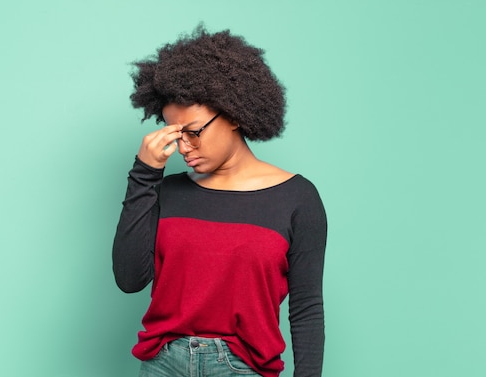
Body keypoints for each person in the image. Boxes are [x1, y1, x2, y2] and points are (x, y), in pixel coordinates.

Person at [112, 25, 327, 377]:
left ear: (234, 114)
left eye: (193, 132)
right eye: (174, 135)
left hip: (242, 368)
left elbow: (306, 308)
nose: (183, 148)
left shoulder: (297, 198)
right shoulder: (167, 191)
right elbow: (129, 279)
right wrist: (144, 174)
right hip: (162, 364)